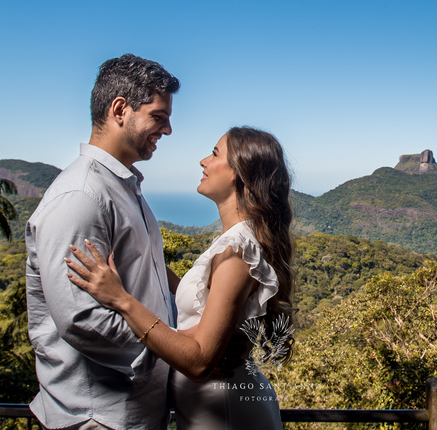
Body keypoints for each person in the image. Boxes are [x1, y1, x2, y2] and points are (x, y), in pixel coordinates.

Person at [67, 126, 294, 430]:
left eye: (214, 153)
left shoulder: (237, 252)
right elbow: (198, 301)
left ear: (238, 173)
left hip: (225, 415)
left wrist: (121, 300)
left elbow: (199, 362)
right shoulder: (234, 242)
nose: (203, 161)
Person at [25, 54, 181, 430]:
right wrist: (166, 350)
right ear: (120, 110)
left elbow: (147, 277)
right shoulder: (81, 196)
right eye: (159, 117)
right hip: (100, 416)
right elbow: (81, 318)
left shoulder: (123, 188)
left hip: (135, 410)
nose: (168, 130)